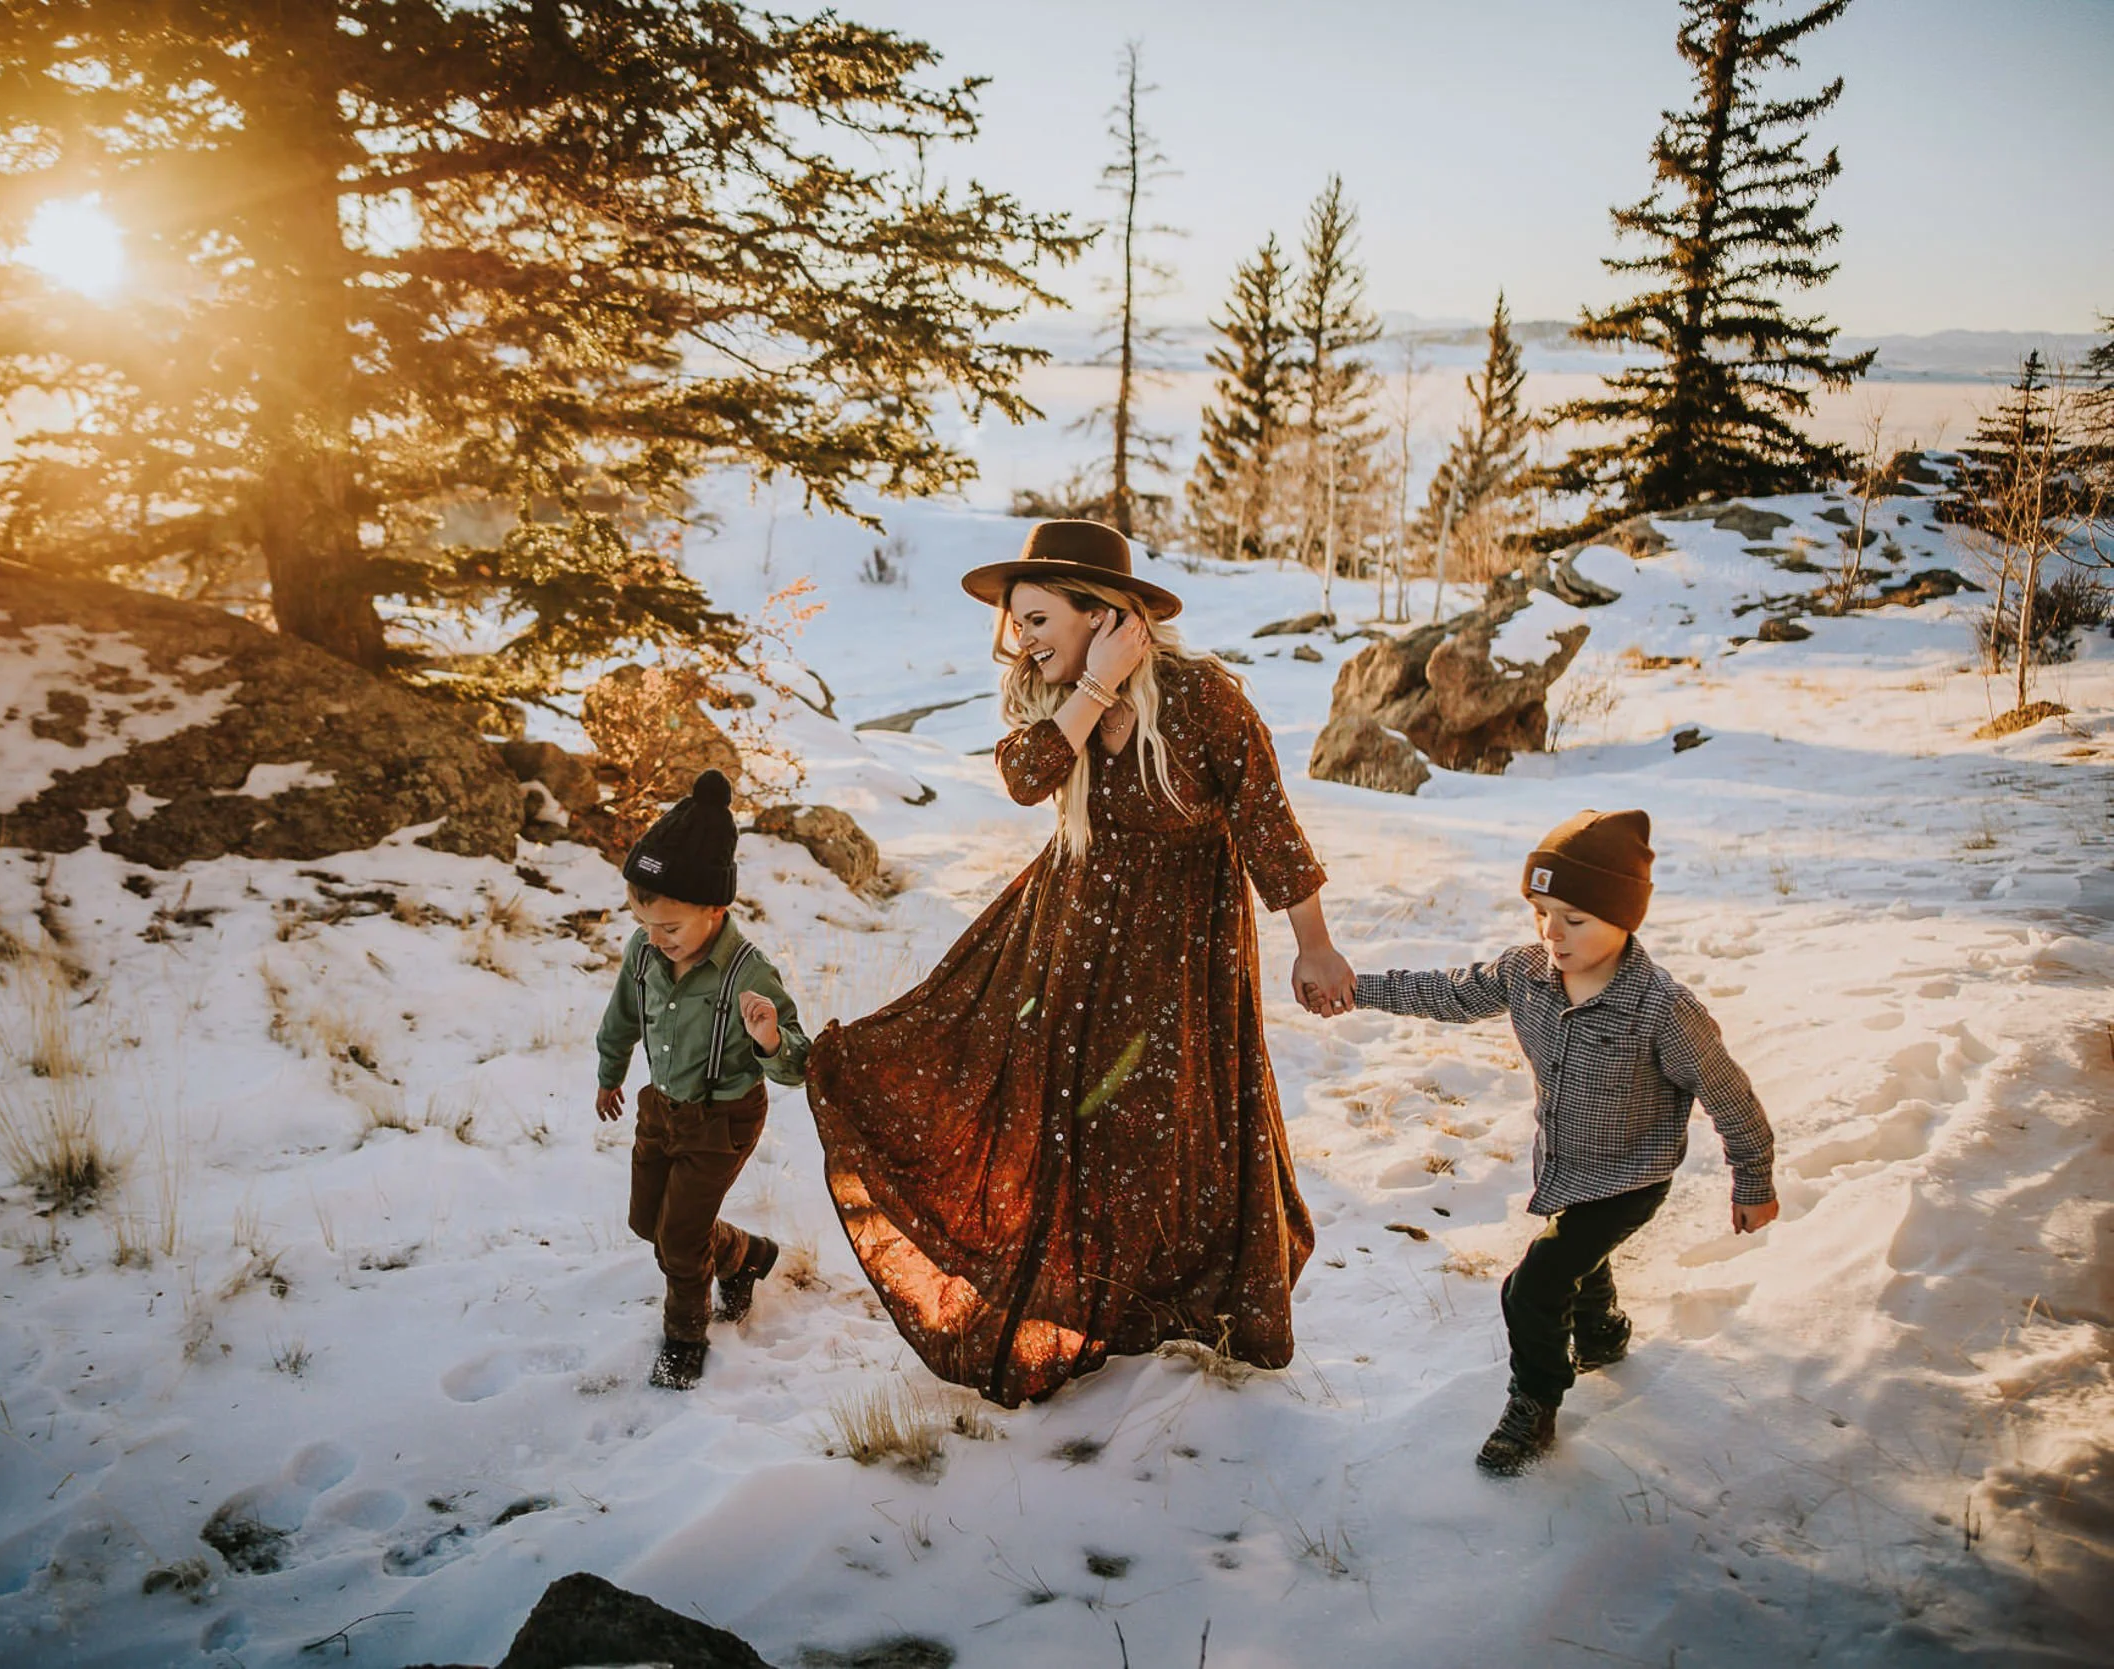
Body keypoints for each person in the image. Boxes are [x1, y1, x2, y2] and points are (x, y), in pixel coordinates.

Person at [805, 519, 1355, 1408]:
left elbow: (1267, 823)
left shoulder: (1199, 698)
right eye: (1016, 622)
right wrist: (1092, 686)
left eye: (1036, 618)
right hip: (1069, 937)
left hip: (1182, 951)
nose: (1021, 639)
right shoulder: (1058, 697)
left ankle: (1173, 1301)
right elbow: (1026, 778)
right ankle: (1091, 1299)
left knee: (1167, 1125)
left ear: (1102, 613)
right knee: (1063, 1116)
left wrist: (1314, 942)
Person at [1344, 808, 1778, 1474]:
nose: (1553, 932)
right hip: (1566, 1168)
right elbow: (1451, 993)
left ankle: (1535, 1405)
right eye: (1540, 912)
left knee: (1534, 1287)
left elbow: (1728, 1092)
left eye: (1575, 918)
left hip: (1632, 1177)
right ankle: (1601, 1332)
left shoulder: (1661, 1007)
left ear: (1624, 917)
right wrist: (1357, 989)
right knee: (1577, 1251)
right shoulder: (1527, 973)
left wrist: (1753, 1179)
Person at [593, 769, 812, 1390]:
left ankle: (685, 1337)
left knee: (681, 1244)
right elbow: (621, 1018)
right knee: (649, 1224)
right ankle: (747, 1256)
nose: (655, 941)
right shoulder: (645, 954)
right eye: (644, 925)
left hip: (723, 1118)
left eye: (670, 928)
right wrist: (610, 1074)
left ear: (716, 909)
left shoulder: (748, 975)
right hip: (660, 1110)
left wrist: (770, 1038)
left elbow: (798, 1061)